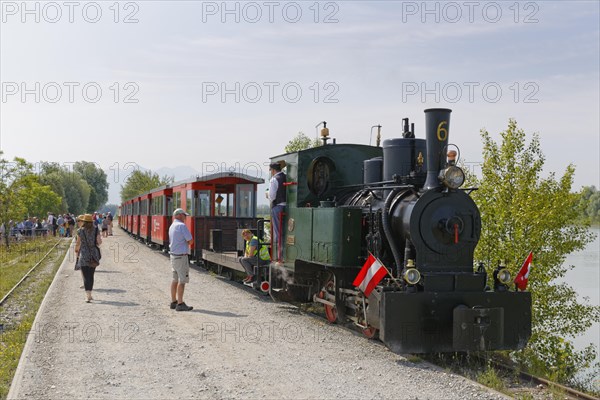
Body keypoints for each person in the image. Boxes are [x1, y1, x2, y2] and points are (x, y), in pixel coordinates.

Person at [168, 208, 193, 311]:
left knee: (175, 279)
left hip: (173, 256)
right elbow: (190, 241)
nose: (185, 217)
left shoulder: (172, 226)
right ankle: (180, 303)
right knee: (182, 281)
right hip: (181, 256)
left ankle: (173, 301)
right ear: (179, 215)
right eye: (184, 215)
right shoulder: (182, 226)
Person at [74, 214, 102, 303]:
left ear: (84, 222)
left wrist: (76, 250)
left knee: (85, 276)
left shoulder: (80, 231)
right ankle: (90, 295)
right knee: (91, 275)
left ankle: (88, 296)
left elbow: (78, 243)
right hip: (94, 254)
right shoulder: (96, 230)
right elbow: (99, 242)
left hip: (84, 254)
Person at [268, 162, 286, 262]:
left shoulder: (274, 179)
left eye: (270, 170)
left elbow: (272, 196)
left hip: (278, 207)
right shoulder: (286, 177)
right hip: (287, 207)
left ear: (273, 170)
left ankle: (280, 256)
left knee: (278, 232)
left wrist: (267, 194)